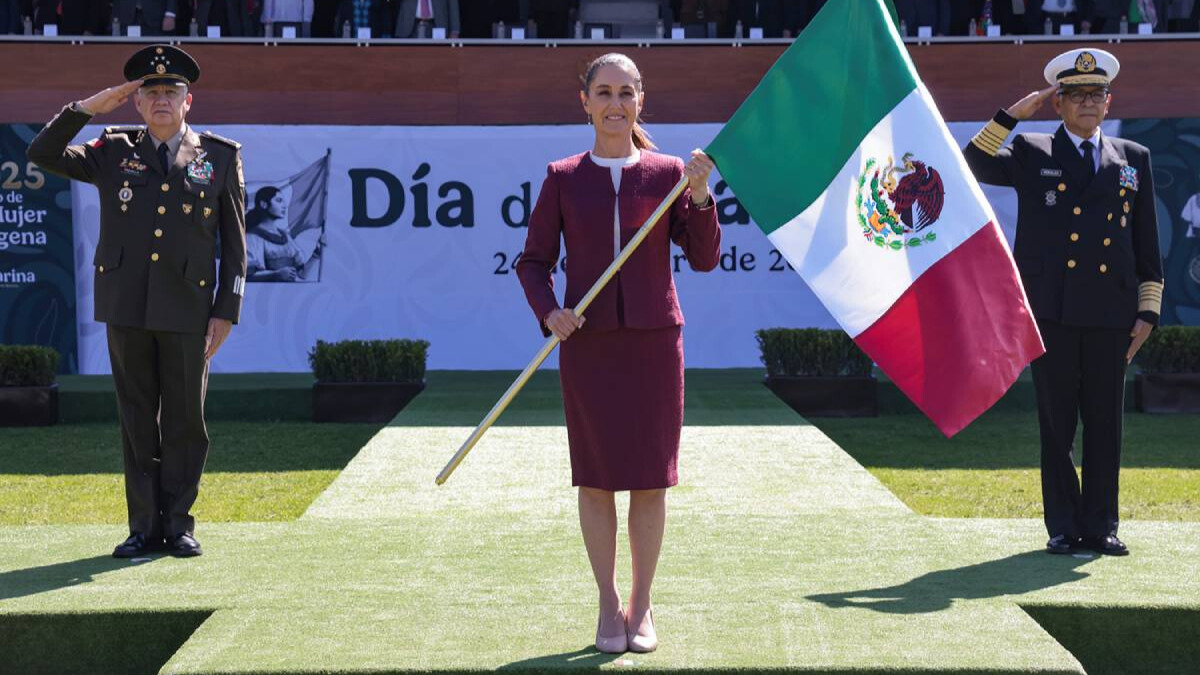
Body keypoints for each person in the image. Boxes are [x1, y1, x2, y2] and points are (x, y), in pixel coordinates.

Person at [516, 53, 720, 654]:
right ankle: (608, 603)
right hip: (587, 347)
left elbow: (704, 257)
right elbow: (532, 263)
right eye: (603, 93)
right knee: (599, 481)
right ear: (584, 102)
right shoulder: (561, 176)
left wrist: (702, 194)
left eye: (625, 94)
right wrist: (549, 311)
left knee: (651, 482)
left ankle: (643, 601)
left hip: (656, 347)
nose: (614, 104)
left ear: (641, 101)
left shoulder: (667, 175)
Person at [27, 44, 247, 559]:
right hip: (126, 306)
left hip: (189, 311)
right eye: (151, 92)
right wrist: (87, 108)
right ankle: (143, 527)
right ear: (137, 104)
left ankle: (179, 524)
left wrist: (226, 310)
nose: (162, 99)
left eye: (172, 91)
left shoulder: (219, 157)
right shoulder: (111, 150)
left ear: (188, 101)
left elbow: (236, 248)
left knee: (186, 420)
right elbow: (41, 154)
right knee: (136, 418)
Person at [962, 48, 1163, 557]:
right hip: (1049, 310)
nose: (1089, 103)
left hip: (1111, 313)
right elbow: (974, 160)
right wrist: (1013, 113)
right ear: (1060, 105)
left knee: (1105, 423)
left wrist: (1148, 310)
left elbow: (1146, 242)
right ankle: (1063, 525)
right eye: (1076, 95)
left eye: (1097, 95)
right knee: (1056, 424)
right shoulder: (1032, 151)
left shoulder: (1132, 157)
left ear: (1109, 100)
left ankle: (1101, 526)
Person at [246, 185, 321, 281]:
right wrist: (275, 274)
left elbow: (302, 274)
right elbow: (247, 277)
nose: (284, 206)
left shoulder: (285, 236)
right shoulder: (252, 237)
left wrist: (317, 253)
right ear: (263, 204)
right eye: (279, 200)